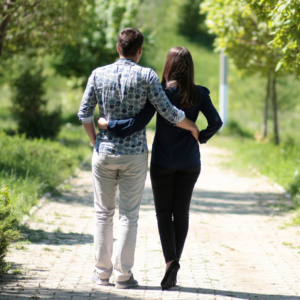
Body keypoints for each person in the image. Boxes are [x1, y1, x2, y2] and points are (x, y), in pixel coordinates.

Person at [77, 29, 199, 289]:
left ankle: (101, 274)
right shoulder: (147, 76)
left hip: (104, 153)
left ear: (118, 48)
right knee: (129, 216)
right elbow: (169, 112)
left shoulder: (98, 74)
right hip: (134, 156)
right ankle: (123, 276)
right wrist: (192, 127)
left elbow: (85, 114)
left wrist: (94, 141)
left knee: (103, 214)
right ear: (139, 50)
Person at [97, 47, 223, 290]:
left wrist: (109, 124)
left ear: (169, 66)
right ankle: (173, 265)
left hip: (163, 162)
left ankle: (170, 261)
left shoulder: (161, 93)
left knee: (164, 213)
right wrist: (201, 136)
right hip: (189, 162)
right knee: (182, 213)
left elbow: (139, 121)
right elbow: (216, 122)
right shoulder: (200, 93)